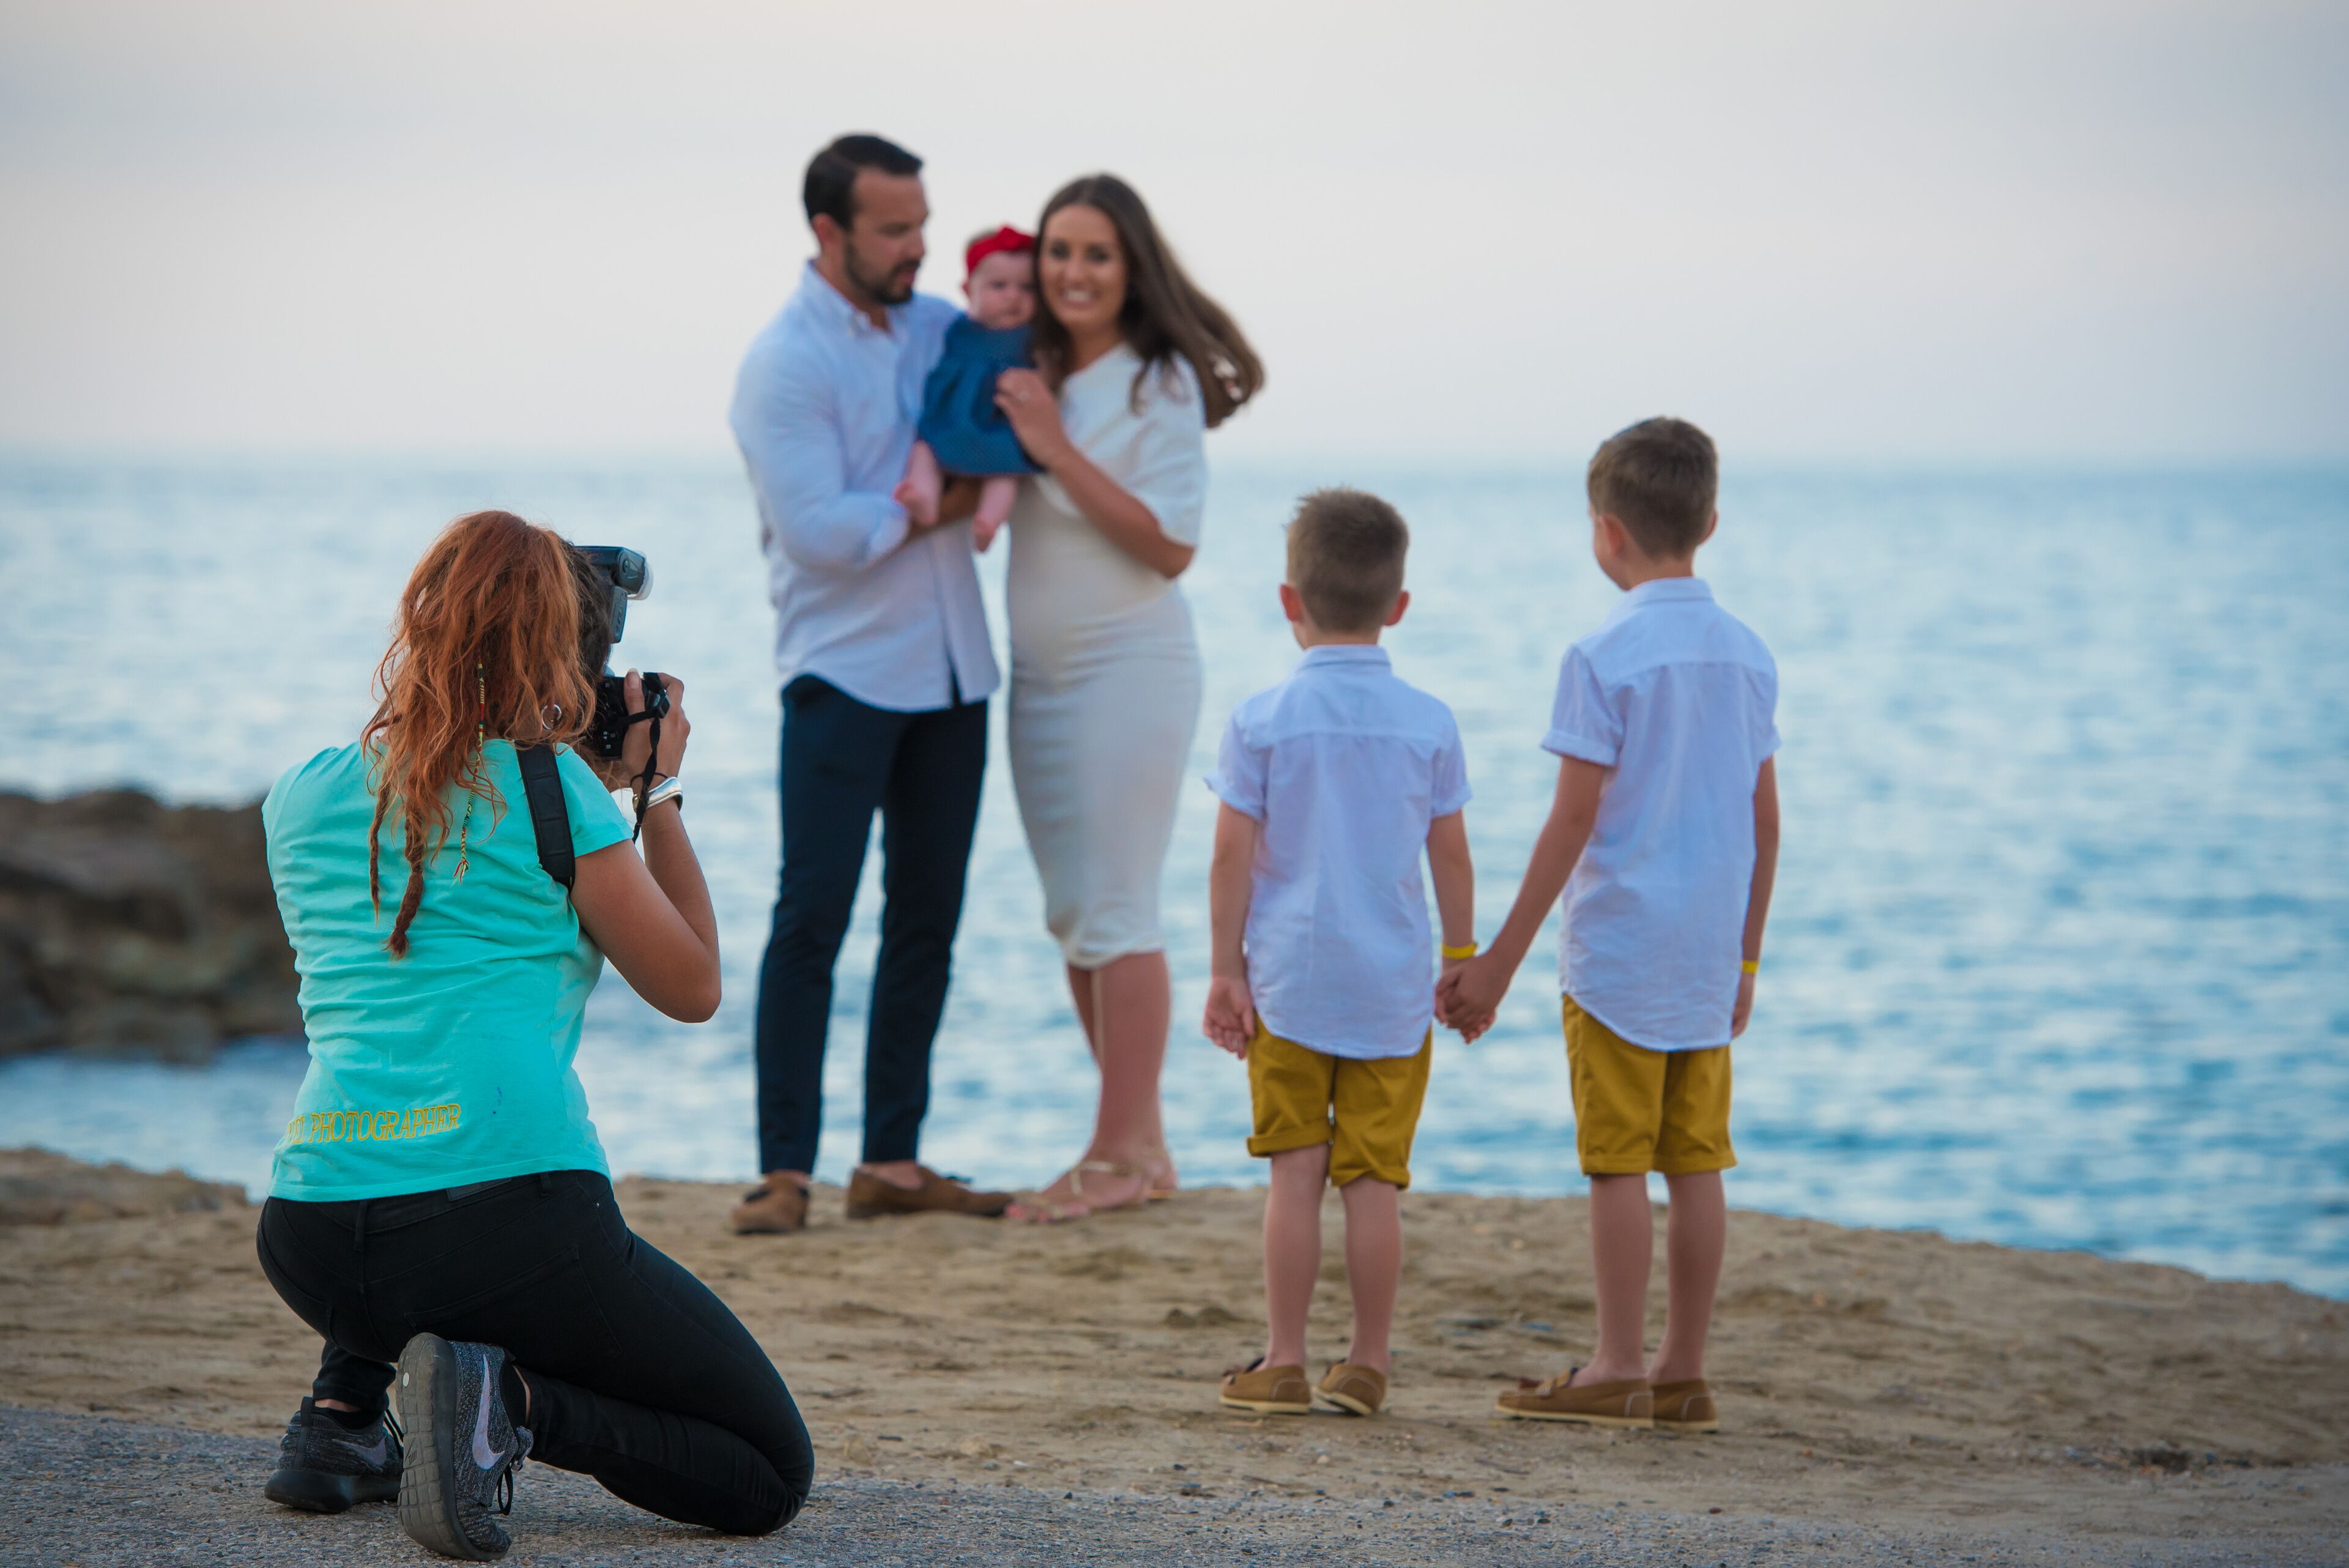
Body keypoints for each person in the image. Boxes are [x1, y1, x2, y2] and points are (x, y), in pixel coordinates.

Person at [255, 511, 813, 1558]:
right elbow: (691, 986)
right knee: (769, 1470)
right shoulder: (557, 791)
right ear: (558, 646)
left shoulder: (300, 793)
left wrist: (579, 786)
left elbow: (448, 873)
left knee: (402, 1115)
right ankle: (507, 1405)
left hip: (314, 1234)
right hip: (503, 1225)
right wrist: (658, 789)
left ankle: (339, 1421)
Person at [1438, 418, 1782, 1433]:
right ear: (1709, 522)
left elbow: (1574, 816)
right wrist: (1750, 955)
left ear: (1605, 532)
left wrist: (1495, 960)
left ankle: (1617, 1361)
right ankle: (1682, 1367)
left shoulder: (1601, 654)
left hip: (1621, 951)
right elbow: (1767, 823)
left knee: (1618, 1162)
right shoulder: (1749, 654)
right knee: (1698, 1160)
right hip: (1711, 951)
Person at [727, 133, 1011, 1235]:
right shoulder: (784, 361)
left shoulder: (946, 326)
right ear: (829, 232)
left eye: (922, 223)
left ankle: (890, 1158)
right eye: (895, 228)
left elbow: (1001, 438)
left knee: (928, 920)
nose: (919, 246)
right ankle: (783, 1171)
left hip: (953, 669)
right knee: (813, 917)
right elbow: (819, 534)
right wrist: (936, 505)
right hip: (840, 672)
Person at [989, 173, 1264, 1222]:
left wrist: (1055, 444)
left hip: (1130, 668)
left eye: (1097, 253)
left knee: (1119, 906)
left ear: (1132, 265)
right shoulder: (1031, 363)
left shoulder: (1159, 383)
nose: (1074, 272)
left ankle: (1112, 1155)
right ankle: (1143, 1145)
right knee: (1074, 913)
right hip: (1043, 678)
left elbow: (1172, 543)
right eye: (1059, 250)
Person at [1201, 489, 1475, 1420]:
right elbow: (1451, 853)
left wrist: (1225, 967)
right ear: (1398, 604)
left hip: (1288, 980)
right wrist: (1463, 954)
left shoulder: (1262, 719)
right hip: (1392, 988)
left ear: (1291, 601)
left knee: (1295, 1170)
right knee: (1372, 1180)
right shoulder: (1430, 722)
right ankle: (1365, 1360)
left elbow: (1231, 851)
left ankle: (1282, 1355)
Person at [895, 225, 1039, 551]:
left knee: (1005, 472)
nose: (1013, 296)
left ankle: (989, 521)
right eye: (998, 286)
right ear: (968, 289)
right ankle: (925, 498)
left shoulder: (1032, 340)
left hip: (999, 423)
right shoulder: (956, 327)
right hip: (952, 417)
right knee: (924, 450)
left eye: (1027, 288)